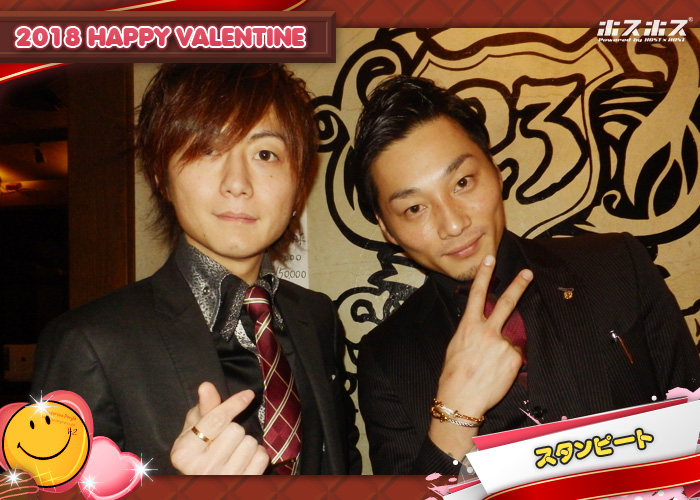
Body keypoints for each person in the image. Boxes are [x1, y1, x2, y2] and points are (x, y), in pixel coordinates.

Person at [351, 74, 700, 475]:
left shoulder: (617, 264)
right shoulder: (386, 358)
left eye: (462, 182)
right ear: (388, 229)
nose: (453, 224)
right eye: (415, 208)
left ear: (495, 170)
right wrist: (455, 417)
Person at [32, 64, 360, 475]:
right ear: (161, 176)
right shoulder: (87, 342)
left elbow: (342, 459)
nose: (237, 182)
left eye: (265, 154)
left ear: (298, 184)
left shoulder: (317, 316)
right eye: (207, 149)